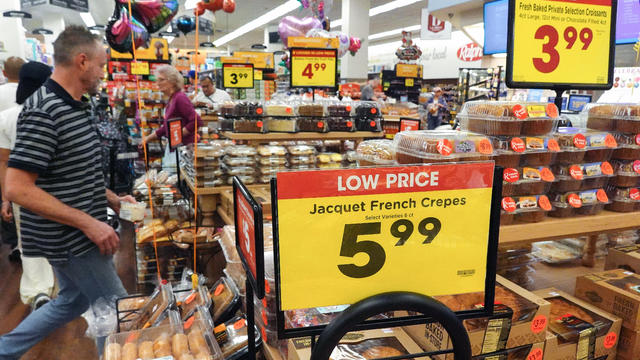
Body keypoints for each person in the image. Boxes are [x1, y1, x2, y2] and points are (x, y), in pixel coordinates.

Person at [0, 26, 134, 359]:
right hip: (71, 238)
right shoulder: (44, 111)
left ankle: (5, 350)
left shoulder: (77, 105)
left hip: (76, 233)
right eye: (102, 65)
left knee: (72, 300)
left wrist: (112, 199)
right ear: (82, 61)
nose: (103, 73)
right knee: (119, 311)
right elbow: (17, 187)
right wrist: (88, 223)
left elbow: (74, 172)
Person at [0, 61, 55, 310]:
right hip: (53, 189)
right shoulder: (51, 114)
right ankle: (59, 288)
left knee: (29, 240)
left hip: (22, 191)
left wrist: (6, 198)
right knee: (57, 235)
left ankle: (38, 291)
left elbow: (4, 163)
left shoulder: (7, 118)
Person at [142, 65, 203, 169]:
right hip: (176, 148)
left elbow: (197, 121)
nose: (158, 83)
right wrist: (147, 138)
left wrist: (178, 134)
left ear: (172, 81)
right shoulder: (172, 99)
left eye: (161, 80)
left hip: (184, 150)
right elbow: (166, 127)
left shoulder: (180, 98)